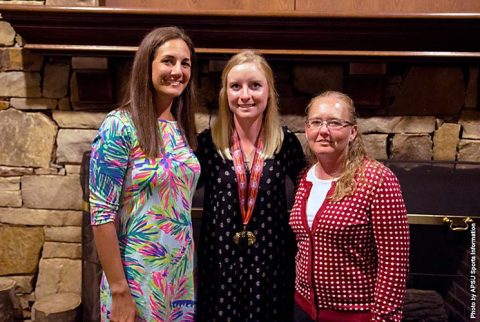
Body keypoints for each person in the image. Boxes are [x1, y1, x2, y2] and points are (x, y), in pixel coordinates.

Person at [89, 26, 200, 322]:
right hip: (136, 278)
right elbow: (101, 216)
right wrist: (119, 291)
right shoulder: (120, 125)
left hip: (178, 277)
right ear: (146, 65)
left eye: (185, 63)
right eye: (168, 61)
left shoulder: (181, 129)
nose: (177, 71)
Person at [195, 50, 306, 321]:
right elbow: (177, 193)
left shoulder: (286, 143)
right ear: (225, 94)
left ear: (269, 92)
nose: (245, 95)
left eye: (255, 85)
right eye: (236, 86)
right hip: (220, 265)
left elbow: (307, 191)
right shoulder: (208, 144)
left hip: (271, 265)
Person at [290, 91, 410, 322]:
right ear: (307, 130)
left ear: (352, 131)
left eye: (335, 123)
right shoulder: (304, 178)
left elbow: (394, 262)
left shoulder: (377, 180)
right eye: (316, 122)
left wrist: (384, 317)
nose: (324, 131)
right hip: (303, 309)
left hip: (356, 315)